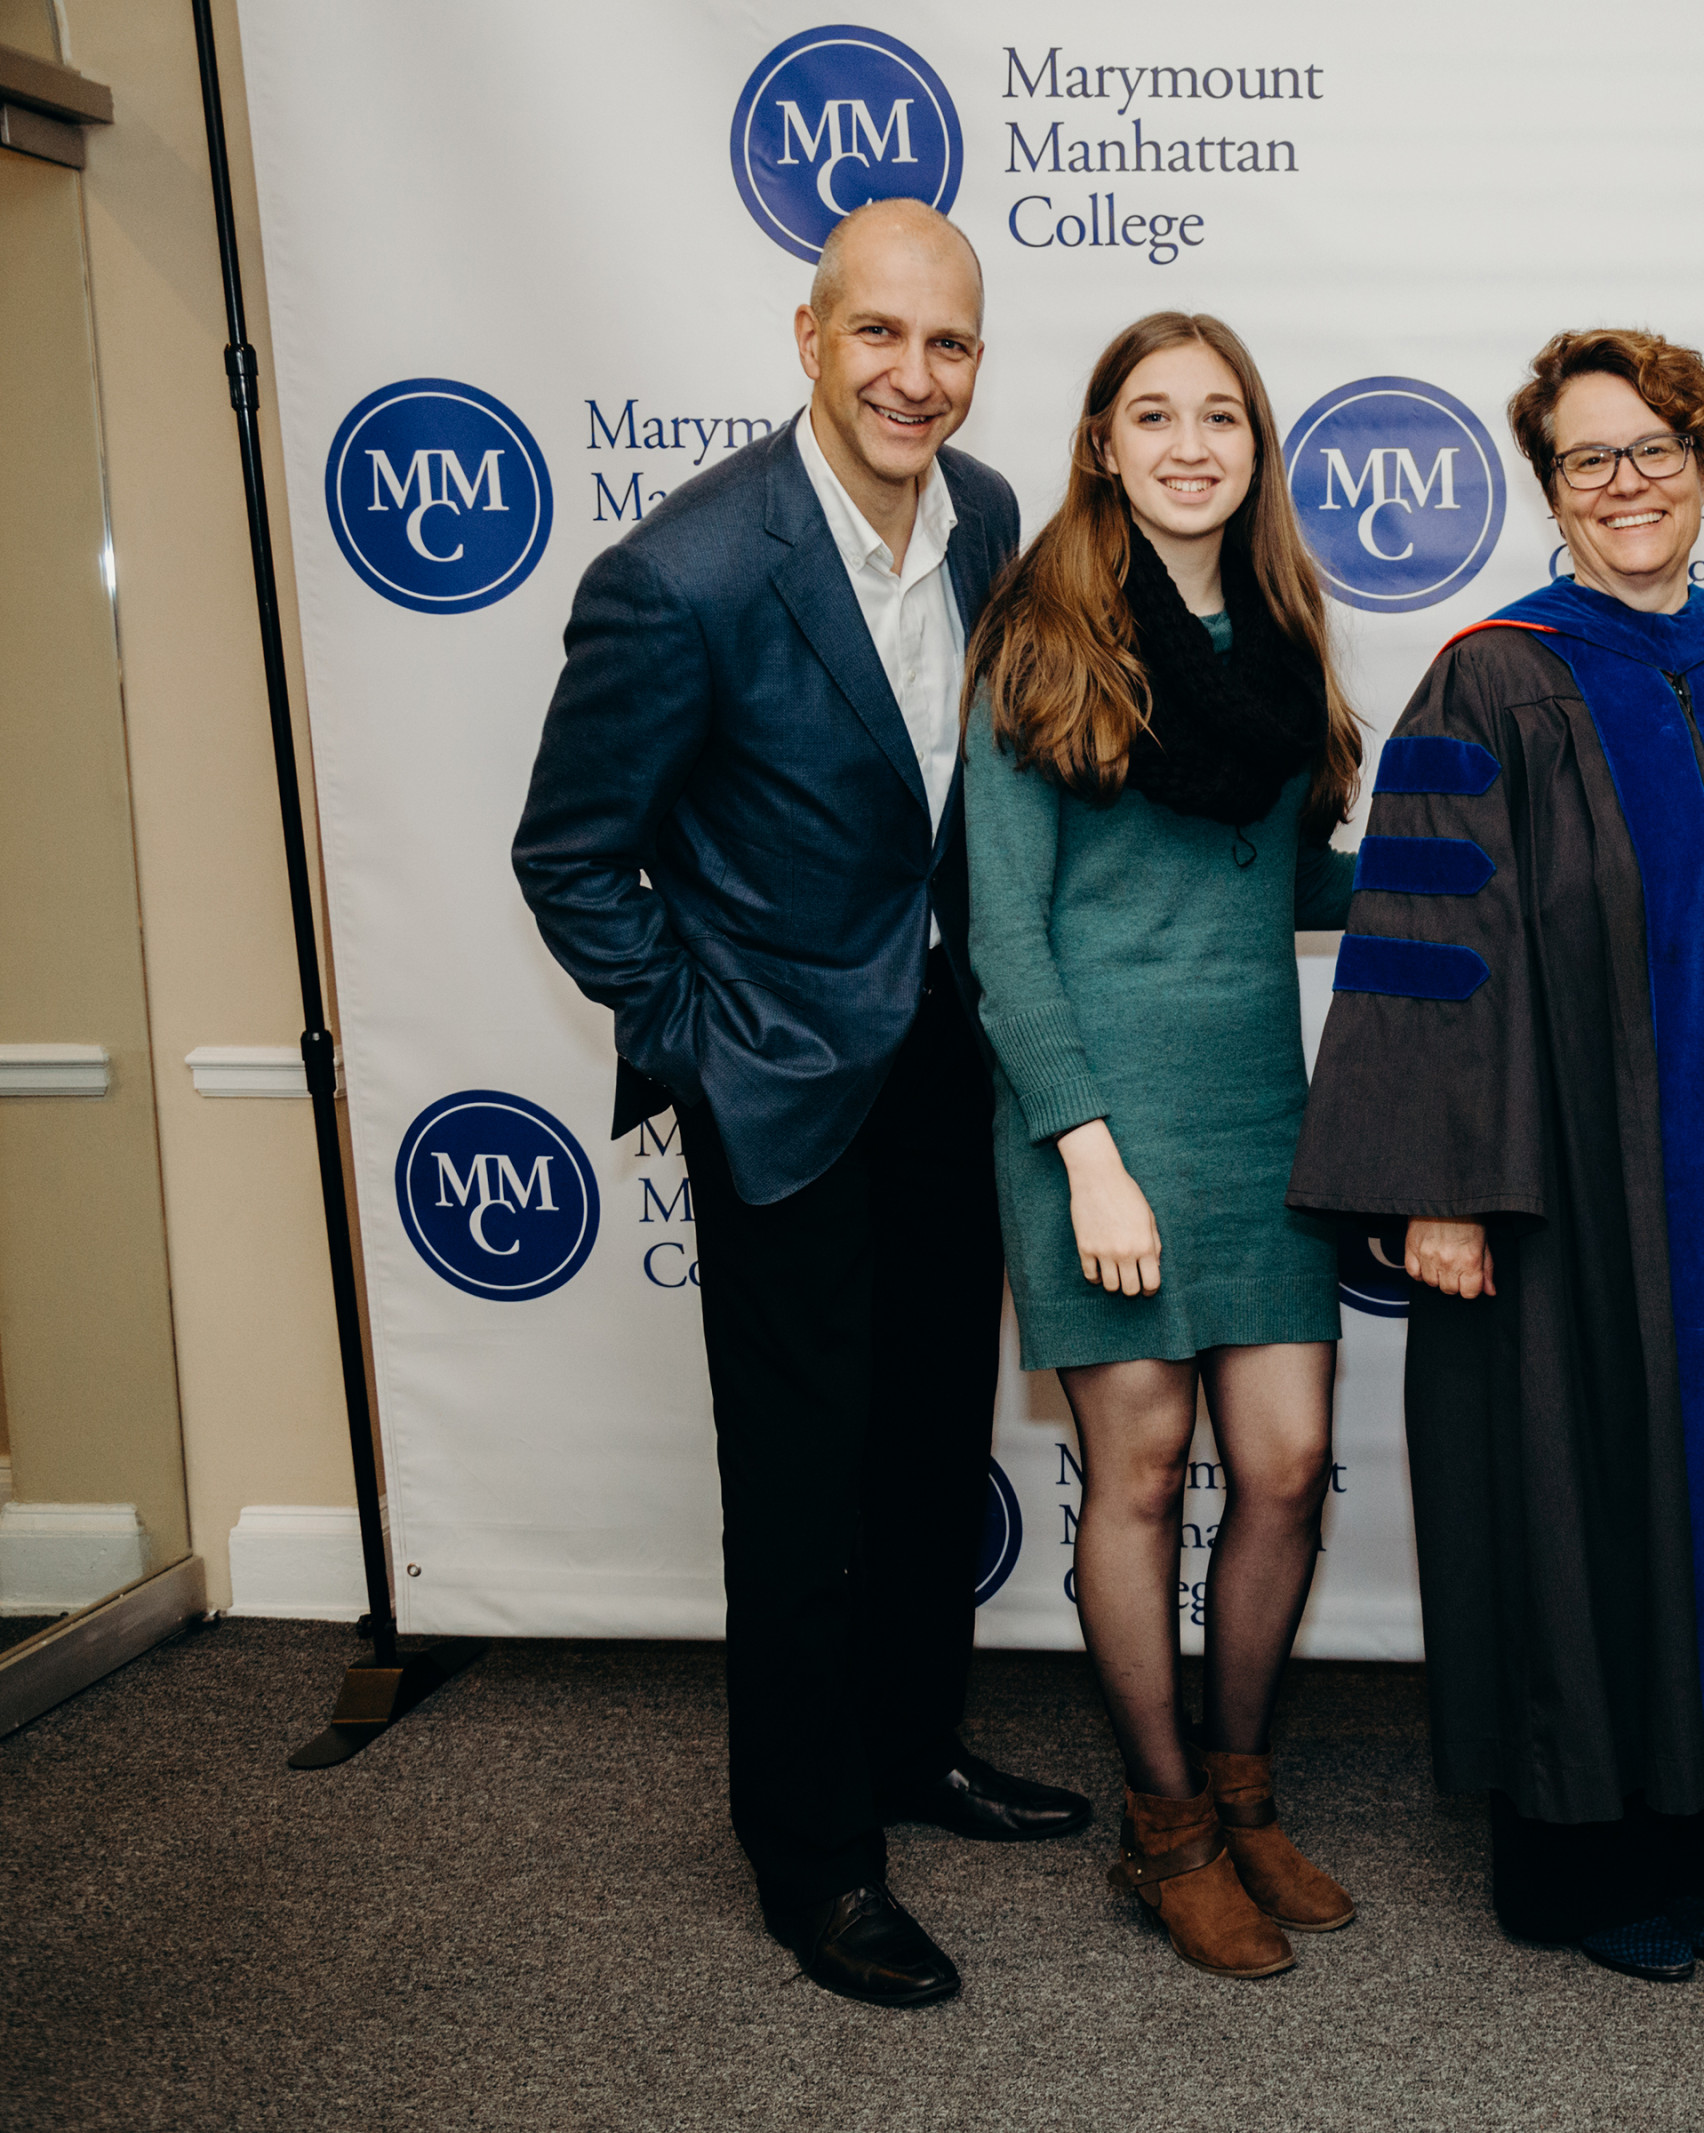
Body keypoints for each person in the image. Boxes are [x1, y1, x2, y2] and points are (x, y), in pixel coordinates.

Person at [512, 202, 1095, 2007]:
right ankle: (813, 1856)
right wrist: (705, 1034)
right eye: (882, 338)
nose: (917, 376)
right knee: (795, 1484)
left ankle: (914, 1747)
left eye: (952, 344)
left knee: (930, 1443)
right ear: (808, 336)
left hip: (946, 1063)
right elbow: (571, 855)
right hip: (773, 1086)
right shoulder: (682, 573)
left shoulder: (991, 518)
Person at [1286, 327, 1704, 1984]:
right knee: (1581, 1496)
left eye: (1655, 451)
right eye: (1589, 461)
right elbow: (1428, 942)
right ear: (1551, 488)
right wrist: (1437, 1188)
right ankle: (1571, 1863)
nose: (1627, 486)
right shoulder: (1493, 675)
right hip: (1567, 1200)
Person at [959, 313, 1362, 1980]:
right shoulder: (1041, 638)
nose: (1192, 443)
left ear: (1256, 447)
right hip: (1096, 1124)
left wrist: (1481, 869)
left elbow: (1289, 882)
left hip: (1260, 1104)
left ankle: (1248, 1788)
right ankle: (1167, 1824)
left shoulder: (1282, 628)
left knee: (1277, 1463)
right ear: (1103, 445)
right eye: (1155, 415)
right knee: (1138, 1471)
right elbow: (1007, 934)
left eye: (1222, 416)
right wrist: (1087, 1152)